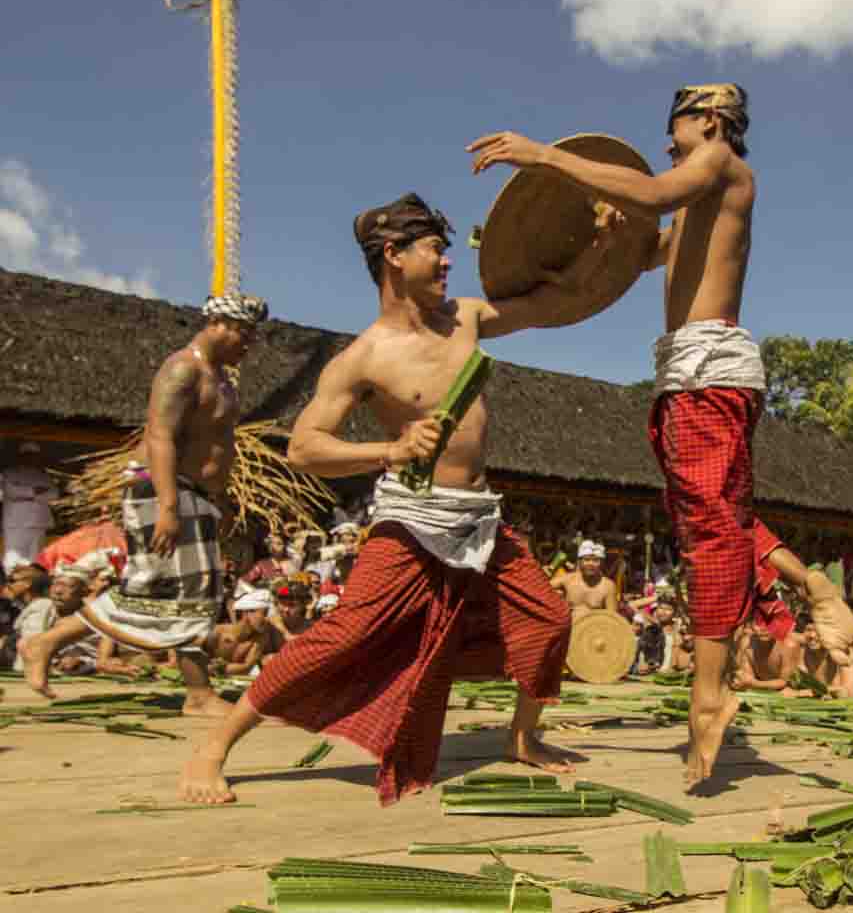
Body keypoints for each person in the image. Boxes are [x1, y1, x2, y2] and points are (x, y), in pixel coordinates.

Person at [469, 91, 853, 785]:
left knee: (708, 529)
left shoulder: (720, 163)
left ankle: (708, 696)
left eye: (674, 126)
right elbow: (638, 256)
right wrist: (600, 233)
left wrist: (544, 157)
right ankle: (809, 582)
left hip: (707, 370)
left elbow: (651, 191)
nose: (667, 141)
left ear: (709, 120)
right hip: (690, 372)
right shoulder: (694, 206)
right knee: (713, 515)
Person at [180, 191, 602, 806]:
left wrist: (600, 243)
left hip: (477, 517)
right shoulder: (364, 357)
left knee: (548, 618)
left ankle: (522, 736)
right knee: (345, 633)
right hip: (412, 517)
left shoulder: (466, 318)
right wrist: (392, 449)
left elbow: (554, 304)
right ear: (394, 255)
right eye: (434, 248)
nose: (447, 261)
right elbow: (304, 448)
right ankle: (216, 745)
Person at [22, 292, 269, 713]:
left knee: (179, 589)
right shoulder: (182, 369)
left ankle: (48, 642)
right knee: (177, 588)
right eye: (244, 334)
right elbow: (160, 437)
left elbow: (220, 446)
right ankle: (198, 693)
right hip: (159, 488)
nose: (249, 344)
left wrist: (220, 500)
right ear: (219, 326)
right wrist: (169, 507)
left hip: (195, 494)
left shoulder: (222, 379)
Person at [0, 442, 58, 572]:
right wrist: (35, 492)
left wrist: (27, 494)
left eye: (34, 455)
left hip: (39, 521)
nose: (32, 458)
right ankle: (11, 579)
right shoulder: (9, 473)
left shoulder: (43, 476)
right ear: (21, 456)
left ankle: (31, 579)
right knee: (14, 555)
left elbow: (54, 494)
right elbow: (11, 491)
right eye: (28, 455)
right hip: (16, 522)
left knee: (35, 555)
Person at [208, 588, 284, 677]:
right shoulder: (218, 632)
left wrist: (219, 668)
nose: (267, 619)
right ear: (247, 613)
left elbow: (247, 667)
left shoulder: (259, 638)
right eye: (265, 614)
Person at [794, 613, 853, 698]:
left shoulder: (841, 653)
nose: (812, 635)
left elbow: (850, 692)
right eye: (808, 630)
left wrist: (805, 692)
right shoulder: (803, 651)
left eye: (818, 631)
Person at [550, 540, 618, 621]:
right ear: (580, 562)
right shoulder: (568, 580)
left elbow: (612, 618)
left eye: (595, 560)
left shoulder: (608, 586)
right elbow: (542, 588)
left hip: (594, 626)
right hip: (569, 625)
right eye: (587, 560)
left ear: (602, 563)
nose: (590, 564)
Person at [236, 532, 293, 598]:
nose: (273, 547)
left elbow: (292, 586)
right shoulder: (263, 564)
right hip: (267, 599)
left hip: (288, 599)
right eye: (271, 543)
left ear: (286, 546)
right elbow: (242, 580)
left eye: (279, 544)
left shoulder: (292, 563)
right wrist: (256, 593)